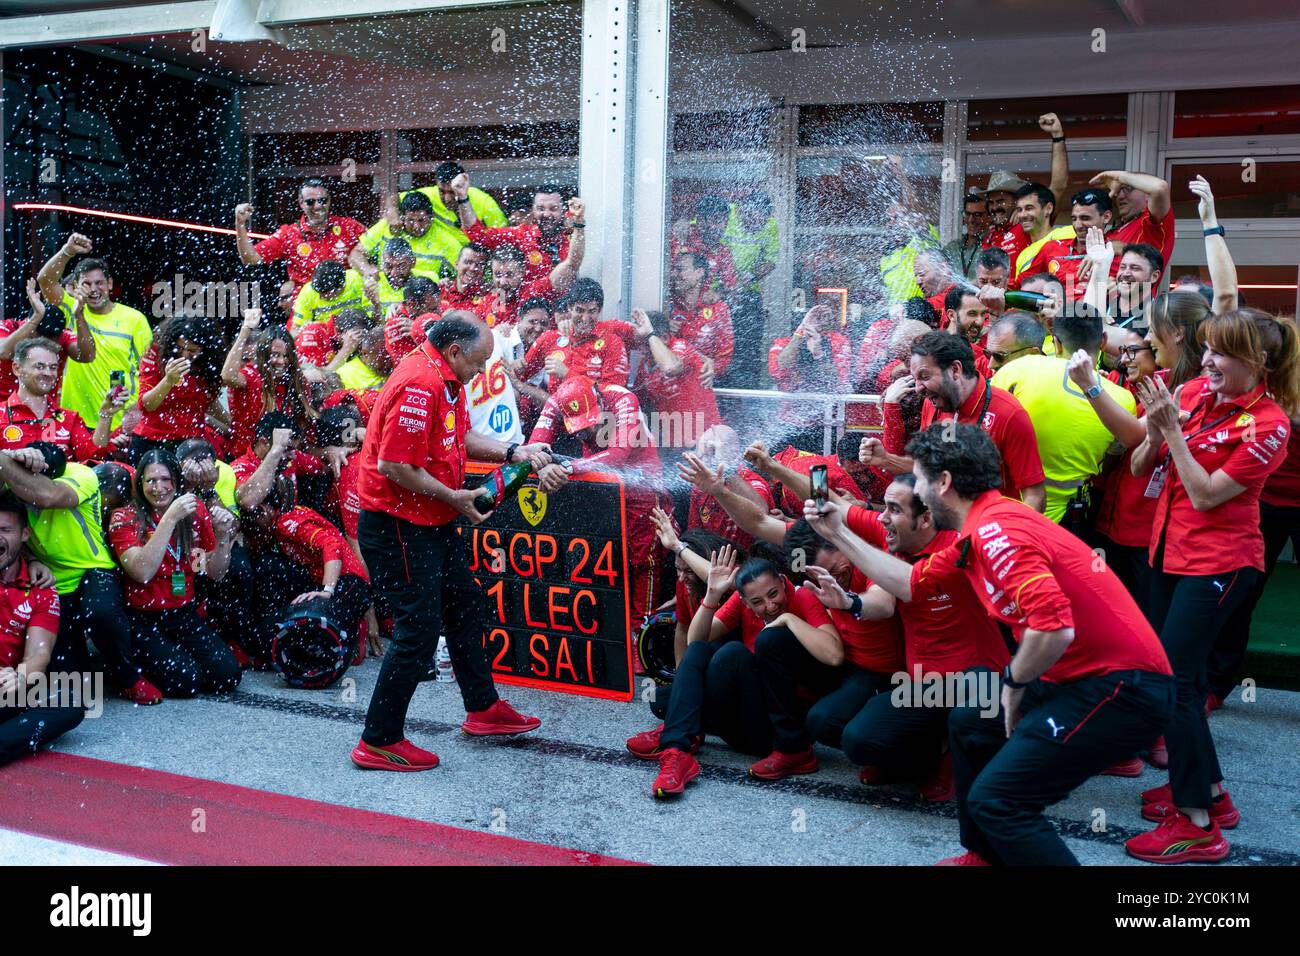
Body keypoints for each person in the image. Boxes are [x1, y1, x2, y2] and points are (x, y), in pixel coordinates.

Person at [810, 423, 1174, 866]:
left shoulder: (996, 532)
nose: (917, 489)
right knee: (972, 718)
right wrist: (838, 535)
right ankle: (981, 855)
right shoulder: (982, 525)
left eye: (920, 479)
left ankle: (994, 836)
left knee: (998, 802)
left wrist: (1015, 686)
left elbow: (1054, 627)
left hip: (1120, 688)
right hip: (1078, 676)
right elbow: (908, 583)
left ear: (943, 483)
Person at [1125, 308, 1299, 863]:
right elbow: (1138, 469)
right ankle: (1212, 794)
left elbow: (1203, 494)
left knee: (1174, 687)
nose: (1206, 362)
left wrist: (1172, 432)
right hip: (1168, 554)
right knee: (1183, 681)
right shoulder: (1197, 390)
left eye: (1221, 352)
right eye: (1205, 349)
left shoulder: (1270, 424)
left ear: (1259, 362)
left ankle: (1197, 823)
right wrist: (1155, 429)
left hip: (1219, 566)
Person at [352, 313, 556, 771]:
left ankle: (482, 709)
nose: (482, 373)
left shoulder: (446, 377)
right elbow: (394, 467)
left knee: (465, 603)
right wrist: (455, 497)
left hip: (432, 520)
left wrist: (513, 452)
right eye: (479, 362)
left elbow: (459, 437)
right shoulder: (420, 384)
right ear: (455, 351)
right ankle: (378, 739)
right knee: (417, 635)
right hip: (399, 527)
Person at [800, 473, 1007, 795]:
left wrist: (839, 538)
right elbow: (834, 505)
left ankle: (959, 757)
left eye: (893, 509)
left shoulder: (957, 550)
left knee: (965, 714)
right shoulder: (895, 532)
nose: (881, 517)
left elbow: (903, 586)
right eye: (883, 507)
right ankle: (924, 758)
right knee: (853, 736)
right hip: (921, 685)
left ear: (925, 518)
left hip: (975, 681)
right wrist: (811, 481)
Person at [640, 550, 837, 798]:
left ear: (782, 582)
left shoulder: (803, 597)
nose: (769, 605)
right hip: (745, 718)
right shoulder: (743, 602)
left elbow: (834, 655)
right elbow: (695, 641)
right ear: (745, 602)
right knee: (664, 697)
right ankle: (678, 750)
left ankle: (684, 730)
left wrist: (788, 619)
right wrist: (712, 594)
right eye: (757, 602)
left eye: (773, 594)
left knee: (730, 654)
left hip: (781, 728)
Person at [0, 445, 156, 703]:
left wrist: (4, 462)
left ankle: (128, 677)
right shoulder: (17, 484)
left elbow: (48, 495)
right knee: (74, 687)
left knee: (101, 613)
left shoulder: (81, 474)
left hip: (93, 569)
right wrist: (32, 559)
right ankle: (89, 671)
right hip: (52, 578)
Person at [529, 374, 666, 629]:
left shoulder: (624, 398)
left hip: (642, 487)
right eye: (579, 428)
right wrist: (542, 469)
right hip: (596, 485)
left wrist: (565, 467)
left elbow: (616, 456)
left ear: (600, 400)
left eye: (591, 422)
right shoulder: (557, 400)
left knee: (643, 562)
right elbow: (534, 448)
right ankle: (604, 629)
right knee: (599, 560)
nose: (589, 431)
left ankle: (639, 633)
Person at [108, 448, 239, 697]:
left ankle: (171, 657)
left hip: (181, 613)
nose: (159, 488)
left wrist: (222, 535)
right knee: (187, 683)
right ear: (140, 484)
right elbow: (142, 571)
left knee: (227, 676)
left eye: (166, 480)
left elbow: (214, 573)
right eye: (151, 481)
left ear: (177, 482)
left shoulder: (195, 511)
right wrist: (169, 518)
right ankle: (131, 669)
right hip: (142, 617)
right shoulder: (124, 517)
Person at [868, 331, 1047, 511]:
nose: (917, 388)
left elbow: (1035, 496)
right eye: (915, 379)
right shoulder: (933, 404)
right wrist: (886, 460)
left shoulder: (1009, 414)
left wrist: (1005, 536)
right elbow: (930, 468)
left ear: (955, 369)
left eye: (924, 376)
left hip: (990, 529)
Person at [993, 306, 1137, 526]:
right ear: (1103, 340)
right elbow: (1107, 465)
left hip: (1006, 511)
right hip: (1070, 522)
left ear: (1056, 342)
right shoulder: (1123, 400)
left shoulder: (1017, 370)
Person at [0, 496, 85, 767]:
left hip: (5, 685)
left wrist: (20, 677)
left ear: (25, 534)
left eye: (5, 530)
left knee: (71, 701)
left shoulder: (41, 589)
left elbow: (39, 652)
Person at [36, 235, 152, 431]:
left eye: (99, 283)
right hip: (74, 421)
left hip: (119, 423)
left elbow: (149, 371)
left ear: (109, 284)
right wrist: (67, 251)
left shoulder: (134, 319)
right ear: (76, 287)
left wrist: (137, 410)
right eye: (87, 284)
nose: (94, 289)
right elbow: (45, 280)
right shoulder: (71, 309)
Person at [235, 178, 366, 291]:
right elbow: (250, 259)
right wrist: (240, 224)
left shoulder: (349, 226)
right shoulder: (289, 234)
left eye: (322, 200)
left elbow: (378, 242)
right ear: (301, 203)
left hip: (344, 304)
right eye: (310, 202)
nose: (318, 206)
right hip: (307, 309)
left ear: (329, 200)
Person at [1, 338, 120, 461]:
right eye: (39, 366)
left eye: (53, 367)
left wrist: (105, 415)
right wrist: (12, 457)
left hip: (58, 480)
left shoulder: (69, 418)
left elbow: (93, 456)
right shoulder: (1, 415)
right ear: (17, 369)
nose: (48, 373)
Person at [133, 315, 224, 464]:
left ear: (205, 348)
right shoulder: (157, 352)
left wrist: (231, 425)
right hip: (152, 441)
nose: (184, 355)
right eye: (179, 348)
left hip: (192, 443)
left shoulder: (210, 362)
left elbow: (206, 400)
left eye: (192, 350)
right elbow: (146, 405)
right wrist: (168, 381)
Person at [453, 174, 575, 286]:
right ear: (533, 211)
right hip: (529, 306)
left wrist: (577, 223)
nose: (547, 214)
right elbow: (478, 235)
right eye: (541, 208)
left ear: (563, 211)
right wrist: (462, 197)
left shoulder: (575, 235)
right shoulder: (521, 235)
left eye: (553, 208)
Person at [520, 278, 629, 391]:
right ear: (569, 307)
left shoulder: (612, 343)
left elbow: (613, 395)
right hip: (554, 407)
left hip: (594, 408)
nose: (585, 318)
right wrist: (516, 365)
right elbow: (518, 376)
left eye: (591, 311)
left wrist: (567, 374)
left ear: (600, 310)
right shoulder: (550, 338)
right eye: (580, 310)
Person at [768, 304, 852, 450]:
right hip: (789, 423)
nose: (816, 322)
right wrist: (801, 332)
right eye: (811, 318)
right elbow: (780, 367)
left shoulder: (838, 342)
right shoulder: (782, 343)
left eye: (820, 317)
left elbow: (837, 380)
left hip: (826, 423)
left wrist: (819, 354)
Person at [351, 190, 453, 283]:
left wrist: (447, 284)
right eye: (411, 220)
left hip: (422, 297)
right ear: (402, 217)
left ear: (431, 218)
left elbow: (464, 270)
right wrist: (367, 269)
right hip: (387, 292)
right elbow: (355, 254)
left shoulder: (444, 240)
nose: (416, 226)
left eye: (421, 220)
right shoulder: (387, 226)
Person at [1090, 168, 1174, 270]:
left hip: (1137, 286)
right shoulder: (1112, 232)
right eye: (1118, 191)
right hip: (1097, 285)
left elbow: (1160, 188)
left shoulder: (1150, 223)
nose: (1120, 196)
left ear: (1147, 194)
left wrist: (1118, 177)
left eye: (1128, 189)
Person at [669, 252, 735, 378]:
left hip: (702, 383)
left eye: (680, 269)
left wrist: (700, 372)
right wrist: (665, 331)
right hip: (667, 382)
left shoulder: (717, 308)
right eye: (673, 269)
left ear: (699, 273)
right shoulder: (665, 302)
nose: (673, 274)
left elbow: (723, 359)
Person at [291, 260, 366, 329]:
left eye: (325, 294)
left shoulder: (358, 281)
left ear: (341, 286)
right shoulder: (308, 292)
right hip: (325, 333)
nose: (320, 297)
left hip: (358, 327)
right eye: (318, 292)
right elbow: (297, 327)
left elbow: (372, 314)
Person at [943, 194, 992, 280]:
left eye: (977, 215)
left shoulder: (994, 245)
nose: (971, 220)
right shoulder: (953, 247)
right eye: (967, 214)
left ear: (989, 217)